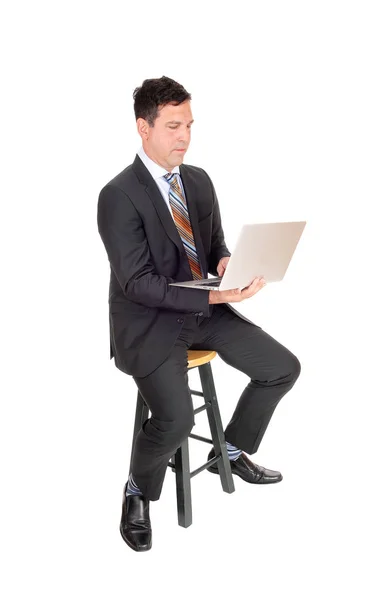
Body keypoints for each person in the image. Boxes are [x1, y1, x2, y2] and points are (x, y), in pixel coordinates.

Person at [97, 76, 301, 552]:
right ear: (143, 128)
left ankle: (228, 451)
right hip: (147, 325)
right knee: (174, 418)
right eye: (172, 126)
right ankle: (137, 491)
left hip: (203, 311)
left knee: (282, 369)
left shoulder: (199, 180)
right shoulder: (118, 195)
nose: (184, 136)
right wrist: (213, 298)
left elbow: (213, 247)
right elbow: (138, 284)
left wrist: (228, 265)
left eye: (188, 124)